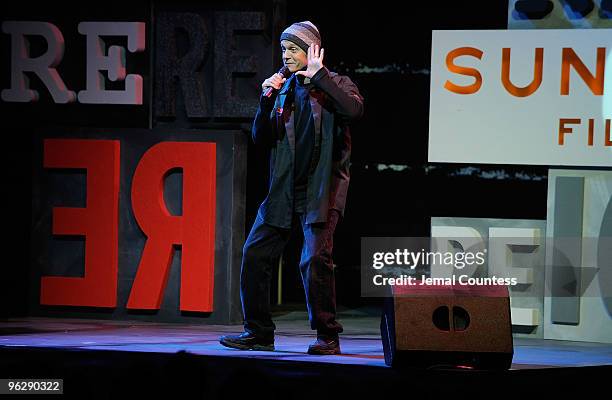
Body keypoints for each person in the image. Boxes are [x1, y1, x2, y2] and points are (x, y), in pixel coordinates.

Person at [219, 21, 364, 355]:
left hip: (321, 191)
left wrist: (320, 77)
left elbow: (354, 111)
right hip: (282, 191)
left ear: (313, 50)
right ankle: (258, 332)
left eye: (294, 49)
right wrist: (266, 100)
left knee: (314, 259)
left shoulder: (336, 84)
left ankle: (328, 335)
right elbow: (262, 138)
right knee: (255, 254)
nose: (286, 55)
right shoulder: (281, 88)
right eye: (284, 49)